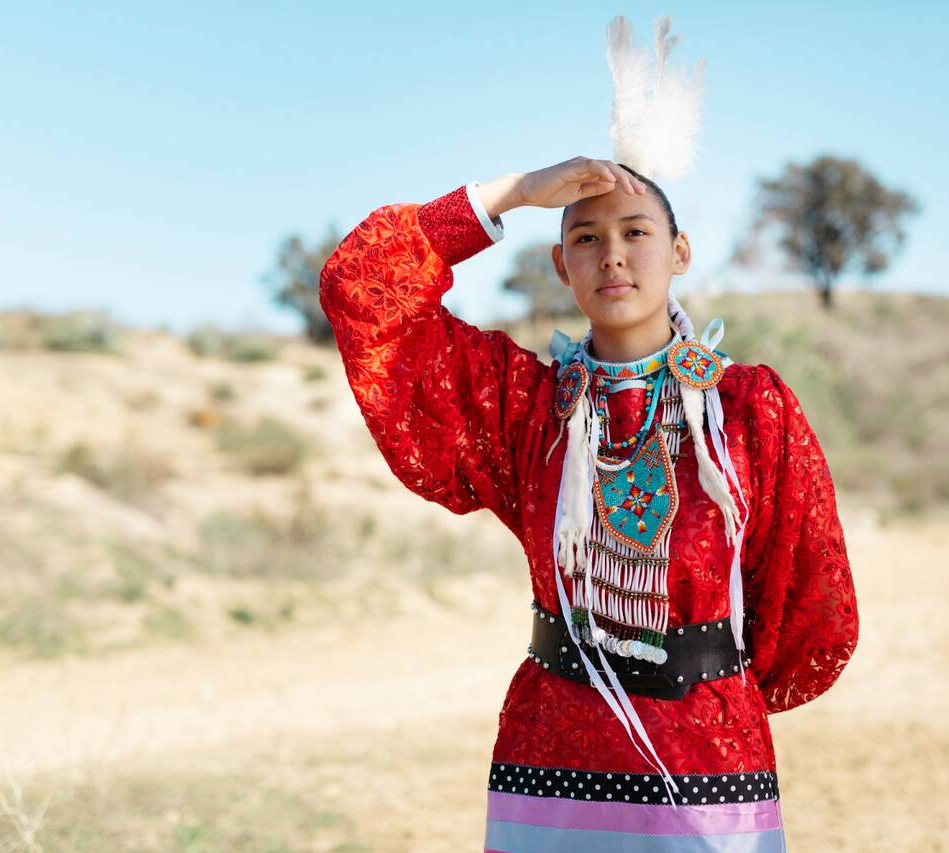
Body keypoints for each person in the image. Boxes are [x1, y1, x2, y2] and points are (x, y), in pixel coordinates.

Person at [318, 155, 859, 852]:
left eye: (635, 232)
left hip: (707, 754)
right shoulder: (525, 409)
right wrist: (516, 192)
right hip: (550, 759)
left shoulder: (750, 409)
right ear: (559, 265)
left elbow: (812, 603)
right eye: (585, 238)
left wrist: (716, 686)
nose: (612, 255)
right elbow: (362, 288)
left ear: (680, 252)